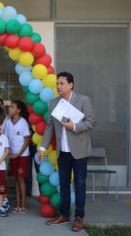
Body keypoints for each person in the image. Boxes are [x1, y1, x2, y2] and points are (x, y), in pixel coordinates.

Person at [38, 72, 96, 232]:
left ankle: (79, 217)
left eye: (62, 83)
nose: (58, 86)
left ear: (71, 85)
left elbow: (91, 122)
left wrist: (75, 126)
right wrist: (42, 148)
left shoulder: (83, 100)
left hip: (79, 151)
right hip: (62, 152)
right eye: (57, 83)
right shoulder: (54, 103)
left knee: (79, 184)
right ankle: (64, 215)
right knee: (64, 185)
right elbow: (50, 127)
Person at [5, 100, 30, 214]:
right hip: (12, 155)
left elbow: (27, 140)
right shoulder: (7, 122)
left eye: (12, 107)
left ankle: (23, 205)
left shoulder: (23, 122)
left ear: (18, 110)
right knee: (16, 178)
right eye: (10, 107)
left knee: (21, 179)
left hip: (22, 156)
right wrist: (10, 153)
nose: (10, 108)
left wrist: (19, 154)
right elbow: (6, 137)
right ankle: (18, 204)